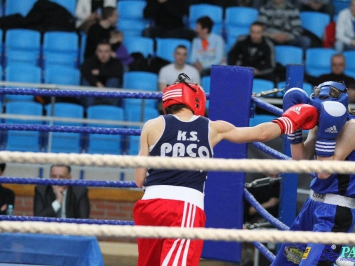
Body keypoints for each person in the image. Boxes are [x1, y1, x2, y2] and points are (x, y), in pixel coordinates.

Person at [133, 73, 319, 266]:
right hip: (183, 208)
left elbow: (139, 179)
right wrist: (291, 120)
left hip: (149, 207)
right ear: (196, 99)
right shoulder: (212, 127)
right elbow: (261, 134)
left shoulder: (151, 125)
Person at [272, 81, 355, 265]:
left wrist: (326, 133)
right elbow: (299, 161)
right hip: (312, 205)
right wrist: (295, 128)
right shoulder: (319, 124)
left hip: (334, 213)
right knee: (283, 263)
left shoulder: (353, 127)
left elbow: (324, 172)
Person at [80, 42, 124, 107]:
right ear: (96, 52)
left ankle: (106, 105)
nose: (103, 54)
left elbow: (118, 72)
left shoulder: (116, 62)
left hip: (108, 92)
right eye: (100, 51)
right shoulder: (90, 61)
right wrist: (97, 83)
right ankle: (91, 107)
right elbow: (84, 70)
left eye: (106, 51)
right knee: (85, 80)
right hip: (94, 90)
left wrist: (100, 72)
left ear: (110, 53)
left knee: (114, 80)